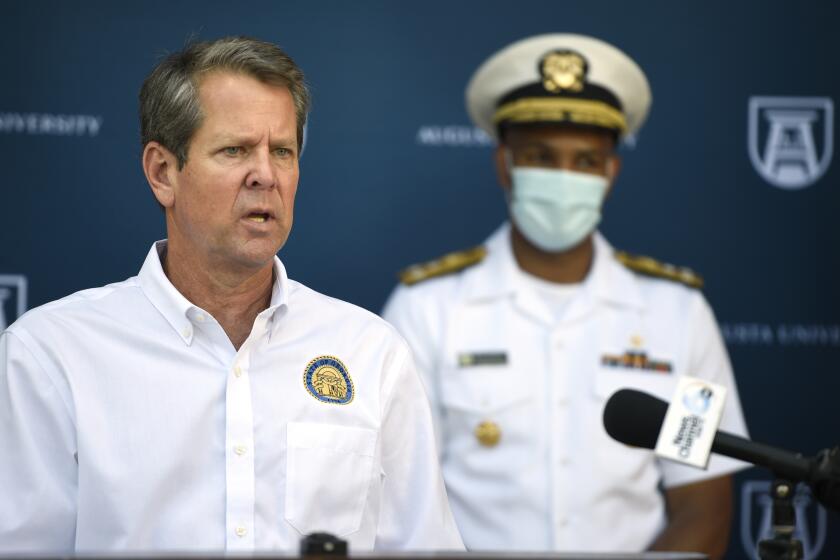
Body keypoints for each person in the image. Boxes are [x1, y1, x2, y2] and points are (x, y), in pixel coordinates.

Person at [0, 36, 463, 553]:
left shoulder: (369, 351)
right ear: (163, 173)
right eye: (235, 150)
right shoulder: (50, 354)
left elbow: (424, 547)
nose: (265, 175)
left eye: (282, 151)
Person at [382, 33, 749, 558]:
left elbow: (702, 502)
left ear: (610, 172)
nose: (563, 178)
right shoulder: (427, 308)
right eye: (540, 156)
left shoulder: (680, 315)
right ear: (504, 164)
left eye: (585, 161)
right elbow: (397, 501)